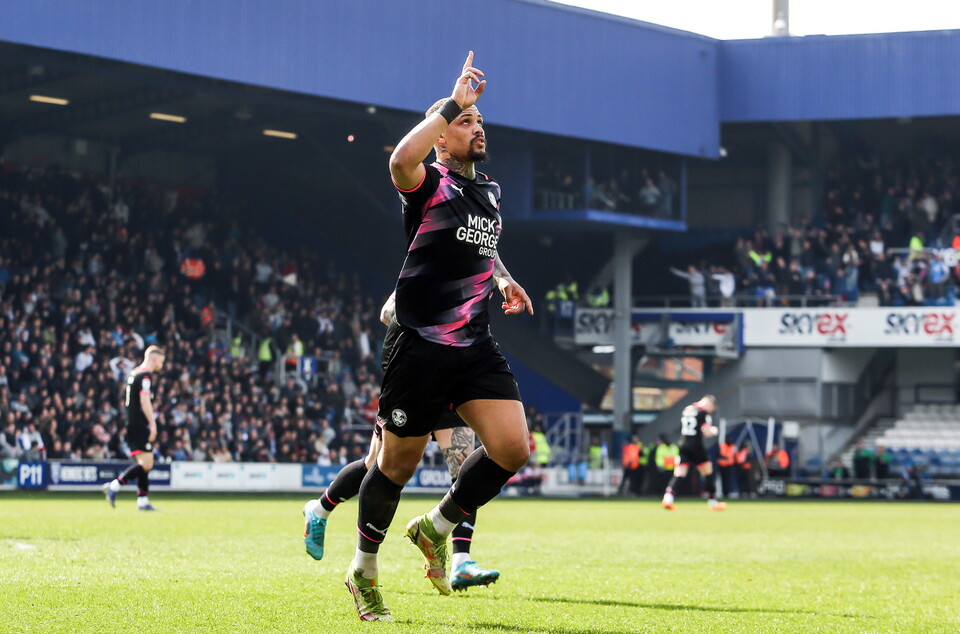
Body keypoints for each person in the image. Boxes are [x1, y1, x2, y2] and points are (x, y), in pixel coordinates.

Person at [343, 52, 534, 622]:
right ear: (442, 139)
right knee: (395, 466)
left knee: (512, 448)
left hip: (473, 344)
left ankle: (438, 526)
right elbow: (401, 157)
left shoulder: (490, 194)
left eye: (479, 121)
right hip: (419, 344)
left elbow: (480, 244)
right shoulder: (428, 183)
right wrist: (453, 99)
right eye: (465, 123)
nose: (477, 127)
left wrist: (504, 277)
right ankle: (363, 570)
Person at [302, 296, 500, 593]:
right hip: (415, 379)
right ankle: (319, 510)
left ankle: (461, 562)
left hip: (454, 380)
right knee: (376, 465)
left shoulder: (471, 277)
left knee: (462, 466)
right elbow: (387, 312)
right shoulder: (428, 270)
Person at [103, 345, 165, 511]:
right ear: (153, 358)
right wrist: (152, 424)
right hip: (140, 423)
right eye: (161, 361)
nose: (161, 364)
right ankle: (114, 486)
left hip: (132, 422)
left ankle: (142, 501)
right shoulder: (145, 375)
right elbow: (145, 402)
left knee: (145, 462)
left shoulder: (134, 373)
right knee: (146, 463)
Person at [662, 395, 726, 511]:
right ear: (710, 404)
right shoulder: (704, 413)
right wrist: (714, 431)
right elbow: (706, 432)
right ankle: (713, 502)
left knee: (679, 473)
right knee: (708, 472)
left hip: (682, 444)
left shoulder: (688, 409)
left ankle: (668, 498)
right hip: (696, 445)